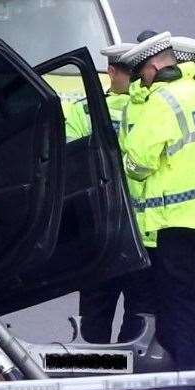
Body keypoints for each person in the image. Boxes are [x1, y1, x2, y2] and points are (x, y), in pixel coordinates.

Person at [121, 31, 195, 373]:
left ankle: (190, 382)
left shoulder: (162, 101)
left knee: (181, 306)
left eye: (142, 75)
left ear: (153, 67)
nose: (143, 82)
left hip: (175, 225)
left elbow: (138, 162)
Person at [76, 40, 136, 344]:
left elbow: (68, 167)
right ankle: (130, 386)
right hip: (140, 230)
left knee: (96, 316)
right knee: (139, 315)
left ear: (110, 71)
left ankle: (91, 387)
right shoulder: (148, 108)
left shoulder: (80, 110)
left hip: (96, 230)